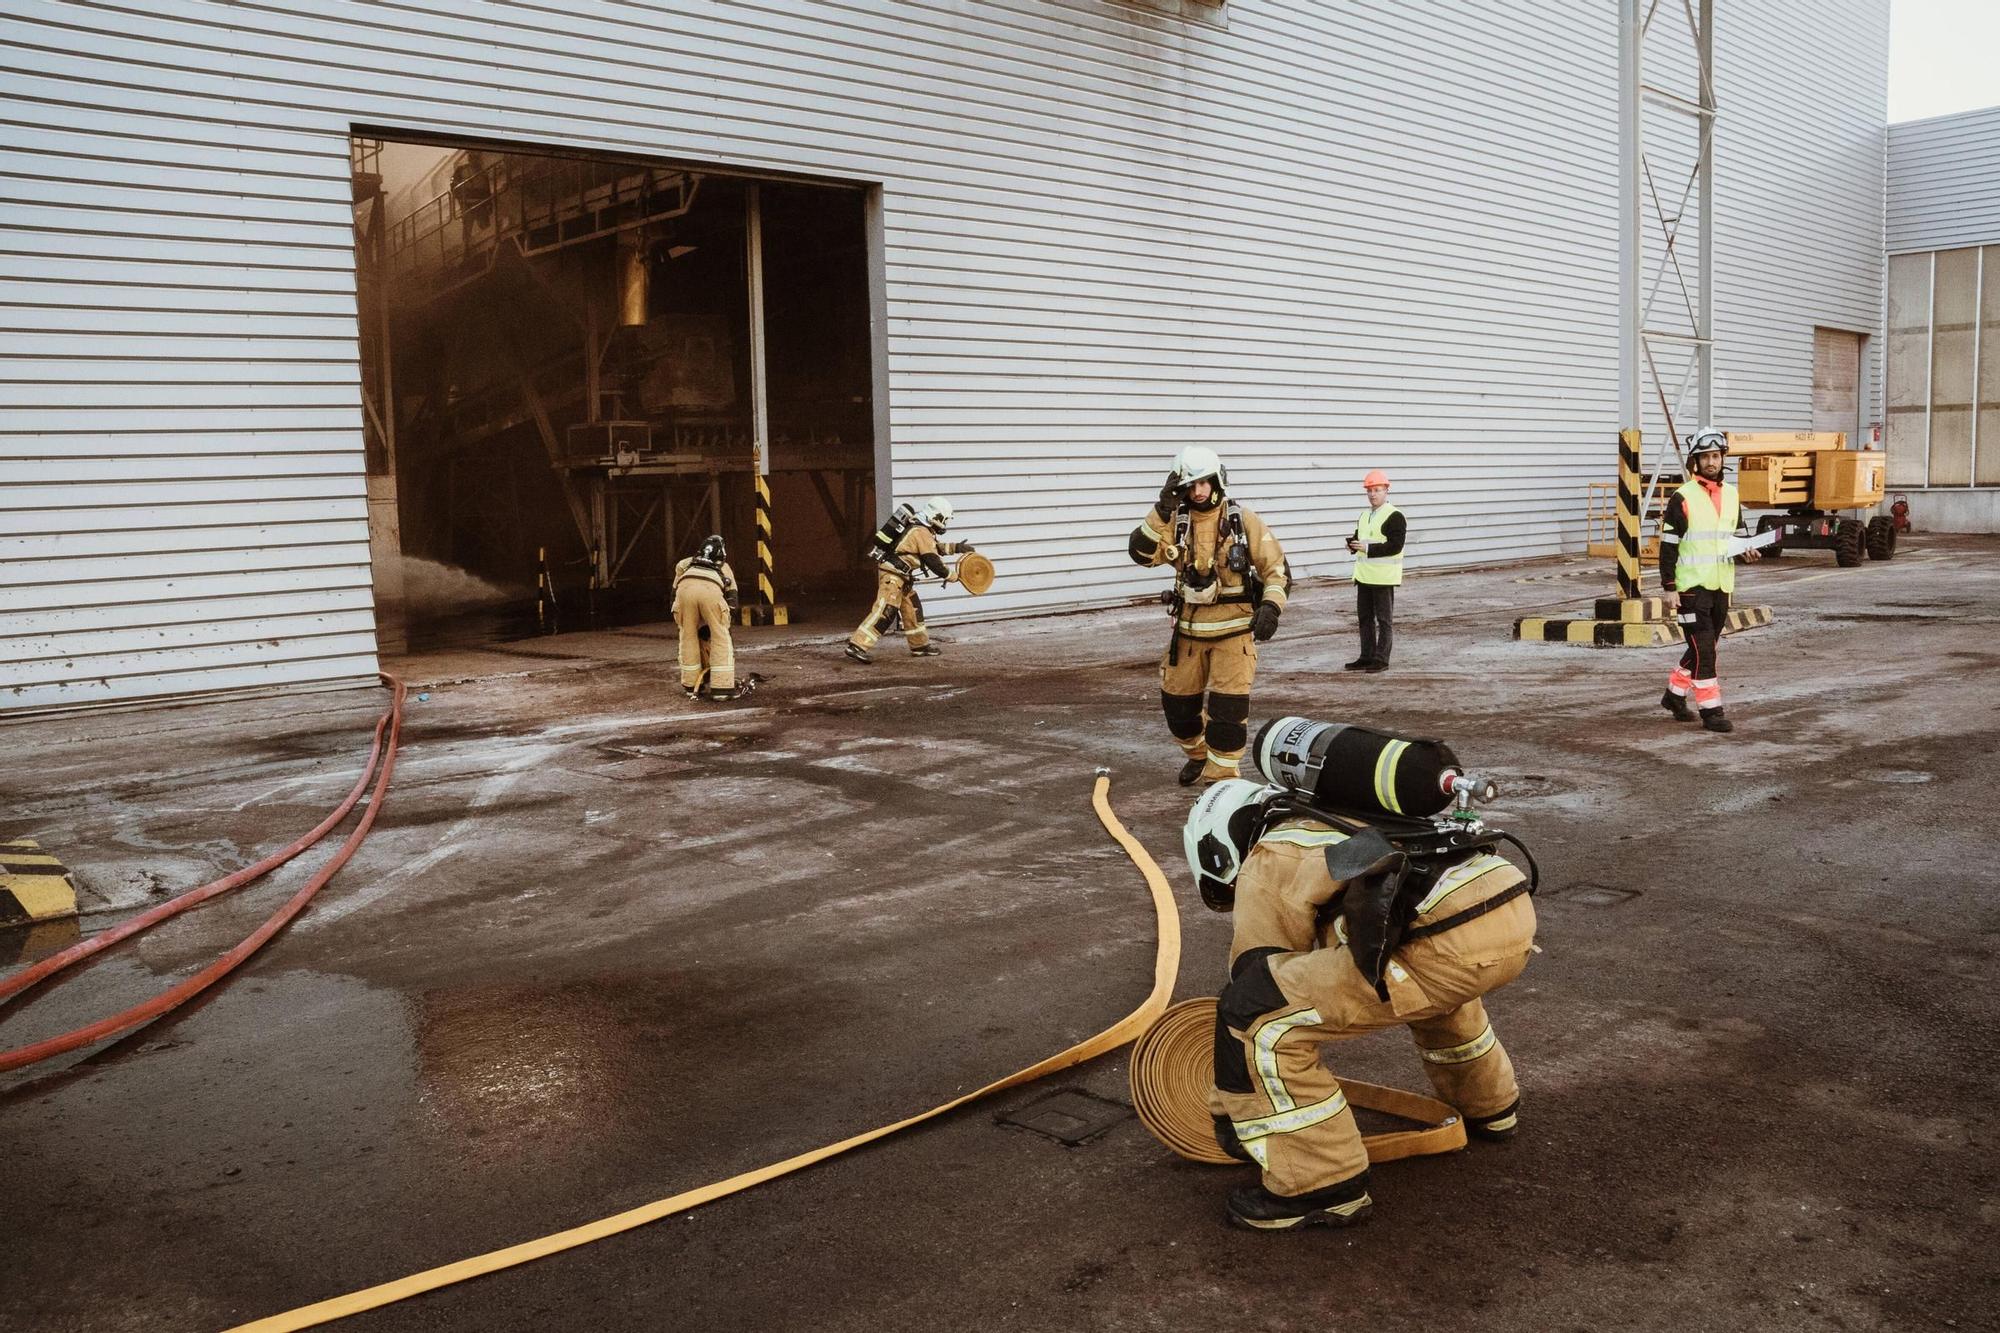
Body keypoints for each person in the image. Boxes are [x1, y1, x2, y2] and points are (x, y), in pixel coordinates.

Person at [1185, 779, 1537, 1231]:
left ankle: (1321, 1186)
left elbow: (1258, 972)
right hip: (1507, 917)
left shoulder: (1271, 852)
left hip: (1437, 944)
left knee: (1253, 1016)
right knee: (1431, 991)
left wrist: (1232, 1109)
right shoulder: (1336, 816)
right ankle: (1491, 1108)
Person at [1129, 448, 1290, 786]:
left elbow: (1277, 571)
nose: (1199, 491)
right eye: (1190, 484)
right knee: (1178, 710)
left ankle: (1221, 782)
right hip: (1188, 634)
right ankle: (1198, 756)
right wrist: (1161, 510)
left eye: (1204, 482)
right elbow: (1140, 554)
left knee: (1228, 714)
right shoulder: (1176, 522)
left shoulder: (1243, 520)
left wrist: (1271, 608)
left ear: (1217, 479)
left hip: (1235, 633)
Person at [1658, 428, 1759, 734]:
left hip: (1720, 586)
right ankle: (1712, 711)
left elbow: (1736, 538)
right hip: (1690, 589)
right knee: (1705, 649)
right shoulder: (1682, 497)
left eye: (1716, 456)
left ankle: (1674, 696)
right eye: (1705, 457)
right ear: (1695, 461)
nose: (1712, 462)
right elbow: (1668, 546)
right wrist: (1669, 588)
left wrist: (1747, 551)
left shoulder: (1731, 495)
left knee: (1704, 647)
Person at [844, 497, 975, 663]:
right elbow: (932, 560)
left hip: (902, 578)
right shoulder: (920, 532)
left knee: (913, 609)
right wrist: (953, 576)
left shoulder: (922, 531)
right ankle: (857, 645)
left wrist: (957, 547)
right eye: (944, 519)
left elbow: (933, 548)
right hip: (893, 577)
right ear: (936, 517)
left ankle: (919, 646)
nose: (944, 524)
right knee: (886, 611)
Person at [1345, 469, 1404, 673]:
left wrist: (1368, 549)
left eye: (1377, 490)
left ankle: (1381, 659)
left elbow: (1396, 545)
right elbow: (1360, 538)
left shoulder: (1395, 516)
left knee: (1384, 620)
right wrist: (1353, 546)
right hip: (1364, 576)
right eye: (1369, 490)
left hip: (1383, 578)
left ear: (1386, 490)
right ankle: (1366, 656)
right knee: (1365, 619)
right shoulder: (1364, 516)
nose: (1372, 494)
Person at [672, 535, 741, 700]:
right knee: (720, 637)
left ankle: (691, 685)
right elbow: (732, 598)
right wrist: (724, 621)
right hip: (710, 591)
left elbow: (674, 592)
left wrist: (680, 616)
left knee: (687, 636)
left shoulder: (685, 564)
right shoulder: (724, 567)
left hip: (684, 591)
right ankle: (722, 689)